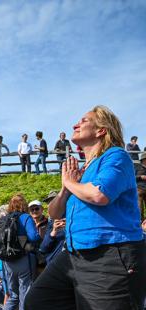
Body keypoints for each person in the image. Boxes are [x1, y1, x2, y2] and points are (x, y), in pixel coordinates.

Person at [25, 105, 146, 310]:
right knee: (38, 302)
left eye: (84, 121)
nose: (76, 124)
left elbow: (99, 194)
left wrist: (71, 183)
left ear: (101, 130)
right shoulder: (80, 172)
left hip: (109, 254)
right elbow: (54, 213)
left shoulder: (116, 156)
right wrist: (65, 189)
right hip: (74, 253)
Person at [3, 194, 40, 310]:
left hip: (7, 261)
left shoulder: (4, 218)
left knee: (13, 295)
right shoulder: (25, 217)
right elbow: (33, 237)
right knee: (25, 293)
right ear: (24, 205)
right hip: (23, 259)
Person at [38, 191, 66, 265]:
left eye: (54, 201)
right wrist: (53, 232)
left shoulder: (71, 218)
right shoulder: (51, 223)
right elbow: (43, 248)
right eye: (49, 202)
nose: (51, 205)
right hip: (54, 263)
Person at [135, 152, 146, 221]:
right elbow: (132, 177)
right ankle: (140, 223)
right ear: (142, 160)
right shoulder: (137, 167)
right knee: (139, 208)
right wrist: (141, 177)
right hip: (139, 189)